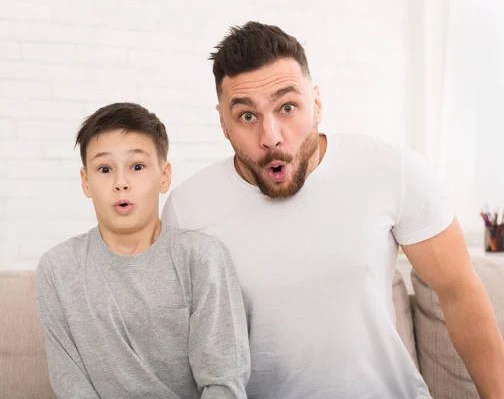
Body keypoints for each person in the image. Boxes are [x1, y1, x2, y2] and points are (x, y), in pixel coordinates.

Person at [161, 21, 504, 398]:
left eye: (287, 107)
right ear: (224, 123)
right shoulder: (188, 209)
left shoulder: (392, 170)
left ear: (317, 104)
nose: (271, 136)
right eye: (247, 116)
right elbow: (176, 348)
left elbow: (459, 293)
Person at [35, 102, 250, 399]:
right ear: (86, 181)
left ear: (164, 176)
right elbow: (71, 384)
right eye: (105, 169)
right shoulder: (58, 269)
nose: (121, 183)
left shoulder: (202, 258)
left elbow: (224, 383)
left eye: (137, 167)